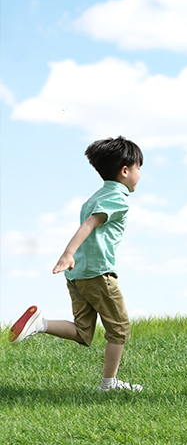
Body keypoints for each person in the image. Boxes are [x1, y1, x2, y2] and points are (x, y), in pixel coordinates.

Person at [9, 136, 144, 393]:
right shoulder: (118, 197)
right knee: (120, 330)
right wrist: (68, 253)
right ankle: (109, 384)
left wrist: (71, 259)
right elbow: (89, 224)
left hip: (77, 275)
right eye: (139, 168)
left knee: (84, 333)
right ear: (125, 170)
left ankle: (40, 323)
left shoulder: (96, 196)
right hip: (97, 274)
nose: (140, 174)